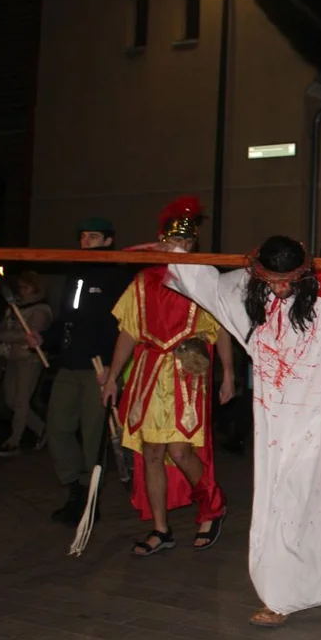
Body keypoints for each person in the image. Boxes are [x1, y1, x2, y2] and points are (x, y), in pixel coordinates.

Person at [165, 234, 321, 627]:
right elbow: (205, 286)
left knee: (305, 502)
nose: (281, 288)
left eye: (288, 280)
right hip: (272, 426)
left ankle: (310, 584)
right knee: (280, 504)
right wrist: (178, 253)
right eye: (272, 280)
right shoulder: (244, 297)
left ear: (303, 275)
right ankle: (282, 590)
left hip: (318, 424)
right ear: (259, 275)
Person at [101, 197, 234, 556]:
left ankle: (213, 504)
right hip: (148, 371)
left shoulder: (202, 278)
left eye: (189, 242)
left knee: (179, 449)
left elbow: (220, 328)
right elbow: (129, 331)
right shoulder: (144, 280)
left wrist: (228, 373)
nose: (183, 247)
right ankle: (161, 529)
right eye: (177, 241)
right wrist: (113, 376)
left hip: (185, 372)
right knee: (152, 452)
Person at [27, 218, 132, 526]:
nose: (86, 241)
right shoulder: (75, 274)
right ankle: (76, 488)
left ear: (108, 242)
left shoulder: (116, 277)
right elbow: (65, 320)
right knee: (58, 427)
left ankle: (89, 500)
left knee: (92, 436)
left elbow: (125, 327)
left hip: (99, 369)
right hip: (70, 364)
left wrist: (115, 368)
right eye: (83, 236)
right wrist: (44, 339)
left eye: (93, 236)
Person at [0, 271, 52, 455]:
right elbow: (0, 332)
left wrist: (16, 337)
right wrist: (14, 336)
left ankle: (14, 441)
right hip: (12, 357)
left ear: (36, 289)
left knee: (21, 401)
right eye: (21, 287)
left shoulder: (41, 310)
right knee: (11, 400)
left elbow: (32, 335)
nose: (22, 291)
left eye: (26, 287)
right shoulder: (15, 308)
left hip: (30, 359)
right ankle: (43, 429)